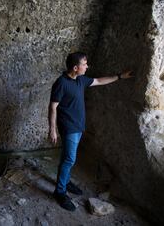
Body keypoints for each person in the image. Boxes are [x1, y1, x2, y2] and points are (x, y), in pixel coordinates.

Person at [48, 52, 133, 211]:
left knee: (68, 158)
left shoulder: (80, 80)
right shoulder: (61, 83)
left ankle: (65, 182)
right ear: (75, 67)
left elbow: (100, 80)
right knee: (69, 159)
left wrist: (120, 76)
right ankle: (60, 192)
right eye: (85, 64)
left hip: (79, 126)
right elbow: (53, 107)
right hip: (69, 127)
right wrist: (52, 130)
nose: (87, 66)